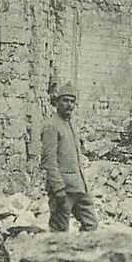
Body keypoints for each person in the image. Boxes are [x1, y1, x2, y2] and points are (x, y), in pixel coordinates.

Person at [40, 82, 98, 232]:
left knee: (91, 225)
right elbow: (49, 161)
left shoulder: (71, 124)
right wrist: (58, 189)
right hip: (63, 190)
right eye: (65, 100)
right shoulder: (51, 126)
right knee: (59, 232)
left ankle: (79, 254)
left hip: (78, 187)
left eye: (72, 101)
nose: (69, 105)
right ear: (57, 102)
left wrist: (83, 185)